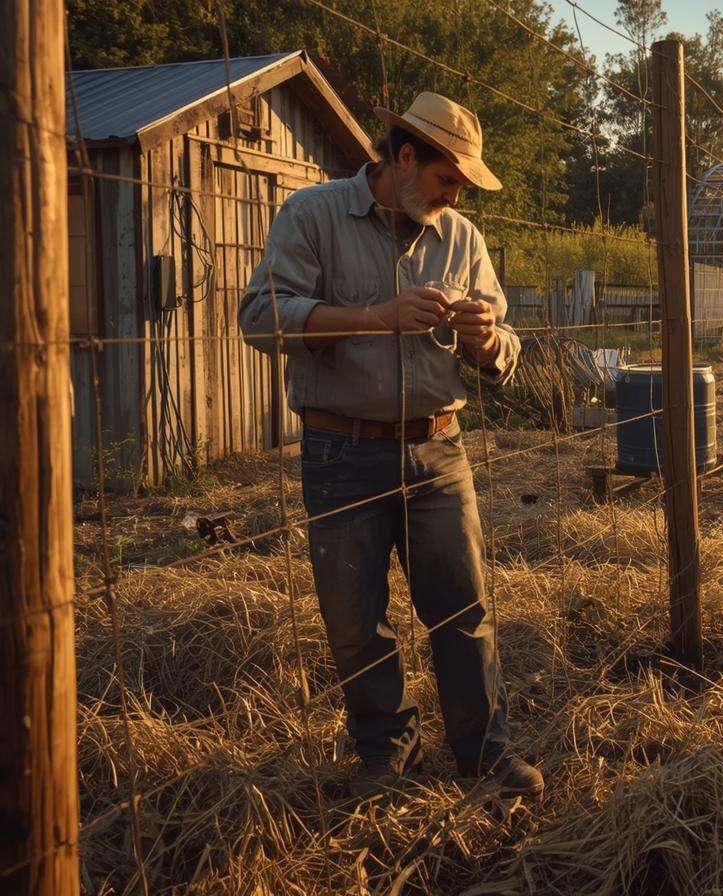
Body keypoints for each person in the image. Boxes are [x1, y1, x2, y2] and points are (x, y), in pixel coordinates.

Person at [238, 91, 542, 800]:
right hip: (341, 451)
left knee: (464, 611)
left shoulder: (460, 236)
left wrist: (488, 341)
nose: (454, 195)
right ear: (404, 158)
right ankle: (385, 756)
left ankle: (484, 753)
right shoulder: (311, 216)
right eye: (446, 179)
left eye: (461, 186)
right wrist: (376, 317)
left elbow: (507, 341)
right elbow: (259, 317)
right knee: (355, 622)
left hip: (439, 449)